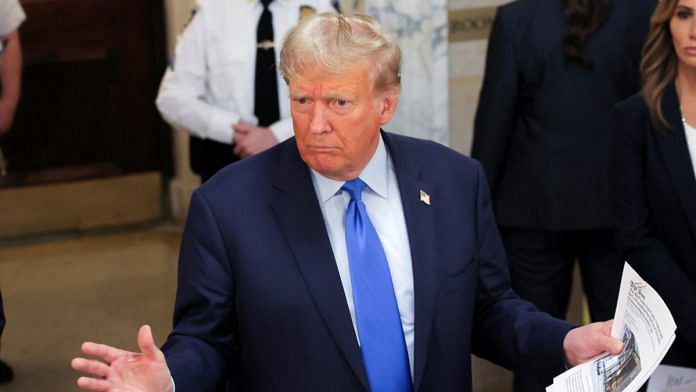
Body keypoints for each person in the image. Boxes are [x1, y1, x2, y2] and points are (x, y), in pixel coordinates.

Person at [73, 13, 625, 392]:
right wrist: (167, 377)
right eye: (302, 99)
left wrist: (566, 340)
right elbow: (207, 340)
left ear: (386, 103)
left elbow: (487, 310)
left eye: (339, 101)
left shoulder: (454, 182)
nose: (316, 124)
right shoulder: (228, 207)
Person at [471, 1, 655, 390]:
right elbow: (649, 118)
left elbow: (494, 123)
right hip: (615, 208)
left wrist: (474, 210)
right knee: (620, 346)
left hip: (532, 209)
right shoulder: (641, 11)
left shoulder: (518, 18)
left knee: (534, 345)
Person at [156, 0, 335, 182]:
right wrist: (233, 130)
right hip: (228, 161)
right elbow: (172, 98)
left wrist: (277, 134)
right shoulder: (209, 10)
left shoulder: (321, 9)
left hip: (305, 156)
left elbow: (338, 92)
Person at [612, 0, 696, 369]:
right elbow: (635, 236)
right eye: (684, 14)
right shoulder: (634, 119)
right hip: (674, 328)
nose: (694, 31)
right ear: (667, 23)